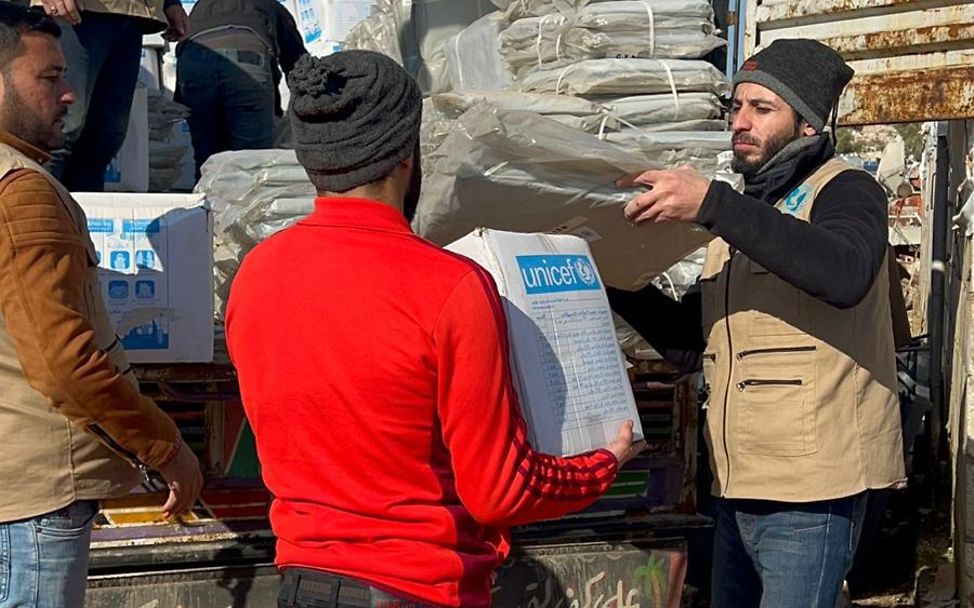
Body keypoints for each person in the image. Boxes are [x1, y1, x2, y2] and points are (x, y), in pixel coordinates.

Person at [225, 50, 641, 608]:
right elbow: (498, 491)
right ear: (406, 154)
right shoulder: (449, 286)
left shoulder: (257, 274)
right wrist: (600, 465)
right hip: (418, 587)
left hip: (303, 583)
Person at [608, 39, 906, 608]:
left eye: (761, 109)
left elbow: (843, 274)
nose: (739, 123)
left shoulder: (846, 190)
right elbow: (690, 343)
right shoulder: (747, 220)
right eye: (735, 108)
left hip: (811, 496)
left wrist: (714, 205)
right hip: (736, 487)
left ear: (809, 125)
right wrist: (610, 271)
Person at [0, 6, 202, 606]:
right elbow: (65, 362)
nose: (68, 93)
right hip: (37, 497)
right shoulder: (23, 192)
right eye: (47, 77)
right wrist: (165, 445)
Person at [33, 0, 189, 191]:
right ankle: (30, 211)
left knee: (105, 136)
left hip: (133, 15)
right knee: (60, 127)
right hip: (77, 11)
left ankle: (78, 215)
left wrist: (170, 3)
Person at [175, 0, 306, 176]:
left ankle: (206, 199)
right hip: (246, 60)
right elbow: (298, 64)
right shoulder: (270, 6)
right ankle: (250, 199)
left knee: (208, 161)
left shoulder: (201, 6)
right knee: (252, 161)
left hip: (193, 65)